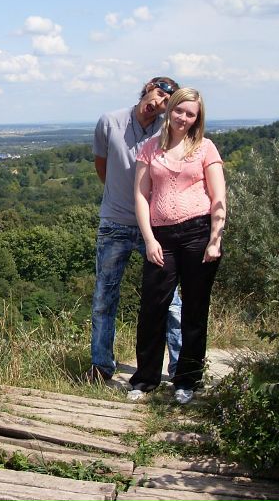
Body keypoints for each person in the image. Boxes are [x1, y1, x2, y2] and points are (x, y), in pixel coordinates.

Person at [128, 87, 226, 404]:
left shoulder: (206, 148)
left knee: (195, 311)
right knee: (152, 309)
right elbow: (141, 196)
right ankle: (145, 380)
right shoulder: (149, 149)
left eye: (190, 114)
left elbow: (218, 198)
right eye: (179, 110)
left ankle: (187, 381)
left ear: (198, 119)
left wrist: (215, 240)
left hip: (198, 234)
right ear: (169, 110)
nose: (183, 118)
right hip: (161, 238)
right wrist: (149, 239)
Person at [87, 76, 183, 385]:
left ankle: (181, 366)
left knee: (170, 299)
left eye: (167, 103)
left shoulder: (165, 132)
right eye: (158, 94)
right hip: (114, 222)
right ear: (147, 89)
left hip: (153, 226)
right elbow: (102, 167)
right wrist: (119, 197)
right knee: (104, 297)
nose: (159, 103)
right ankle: (101, 366)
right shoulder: (109, 122)